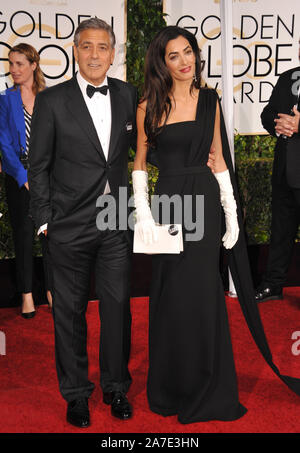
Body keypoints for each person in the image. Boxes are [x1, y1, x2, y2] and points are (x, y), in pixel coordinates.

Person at [133, 26, 247, 423]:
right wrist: (143, 214)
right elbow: (141, 164)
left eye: (188, 53)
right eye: (174, 56)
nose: (184, 62)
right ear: (161, 63)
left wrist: (231, 213)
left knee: (202, 294)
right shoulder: (149, 104)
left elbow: (217, 158)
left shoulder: (210, 100)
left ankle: (208, 386)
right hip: (167, 204)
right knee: (170, 296)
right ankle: (171, 386)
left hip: (203, 201)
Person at [28, 18, 137, 428]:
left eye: (103, 47)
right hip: (68, 224)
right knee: (69, 314)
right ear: (75, 51)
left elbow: (139, 152)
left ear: (113, 53)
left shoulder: (128, 94)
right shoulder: (53, 101)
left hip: (115, 222)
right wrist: (45, 220)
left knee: (117, 309)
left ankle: (115, 387)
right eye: (87, 47)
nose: (95, 54)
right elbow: (37, 166)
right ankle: (75, 393)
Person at [0, 43, 52, 319]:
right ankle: (27, 295)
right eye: (11, 63)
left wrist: (46, 175)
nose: (14, 69)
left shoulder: (49, 97)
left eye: (20, 63)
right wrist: (23, 178)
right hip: (18, 174)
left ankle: (53, 291)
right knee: (23, 236)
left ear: (33, 65)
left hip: (46, 173)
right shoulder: (5, 99)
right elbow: (5, 144)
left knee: (50, 235)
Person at [255, 41, 300, 303]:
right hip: (284, 170)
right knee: (281, 231)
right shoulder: (287, 78)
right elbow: (266, 114)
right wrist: (280, 124)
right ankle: (273, 285)